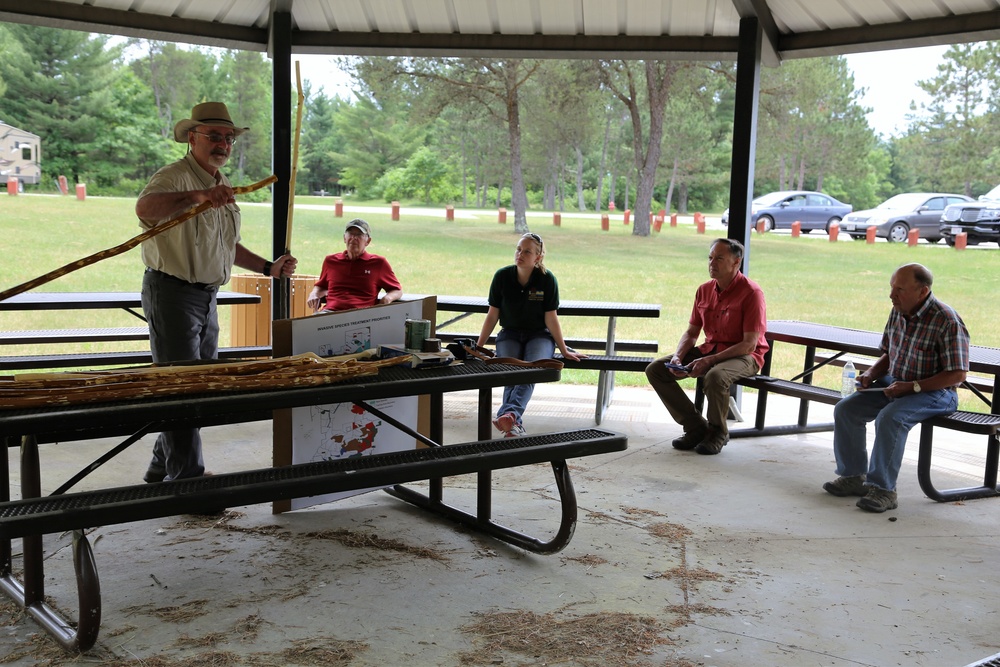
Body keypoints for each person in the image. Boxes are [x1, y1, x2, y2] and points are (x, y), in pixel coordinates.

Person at [136, 102, 297, 483]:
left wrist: (268, 268)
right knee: (183, 388)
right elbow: (145, 207)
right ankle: (187, 481)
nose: (223, 143)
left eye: (228, 138)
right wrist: (196, 197)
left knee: (199, 384)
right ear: (192, 138)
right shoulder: (175, 177)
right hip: (172, 293)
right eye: (214, 136)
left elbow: (226, 245)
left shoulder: (220, 184)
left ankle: (162, 464)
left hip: (206, 298)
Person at [824, 263, 969, 513]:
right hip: (896, 384)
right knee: (846, 410)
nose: (892, 295)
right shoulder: (899, 310)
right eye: (892, 287)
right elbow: (889, 355)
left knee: (890, 418)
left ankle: (884, 490)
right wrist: (869, 374)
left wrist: (913, 387)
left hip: (937, 393)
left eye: (899, 289)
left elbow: (957, 374)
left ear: (922, 291)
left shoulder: (946, 319)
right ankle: (853, 477)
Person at [645, 238, 768, 455]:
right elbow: (692, 332)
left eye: (719, 258)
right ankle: (695, 427)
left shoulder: (751, 293)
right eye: (710, 258)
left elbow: (749, 344)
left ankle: (718, 432)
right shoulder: (704, 290)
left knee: (715, 376)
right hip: (710, 349)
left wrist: (709, 360)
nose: (712, 263)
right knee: (656, 369)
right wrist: (677, 357)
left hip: (744, 355)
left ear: (736, 262)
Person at [477, 232, 582, 437]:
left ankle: (509, 415)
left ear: (538, 257)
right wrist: (478, 347)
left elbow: (551, 318)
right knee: (510, 367)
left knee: (533, 366)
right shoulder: (502, 277)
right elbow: (492, 316)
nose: (520, 254)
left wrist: (563, 349)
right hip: (510, 334)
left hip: (539, 335)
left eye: (527, 251)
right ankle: (512, 421)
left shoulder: (547, 279)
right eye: (518, 249)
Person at [306, 219, 402, 312]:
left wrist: (387, 298)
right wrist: (314, 293)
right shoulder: (330, 261)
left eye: (359, 235)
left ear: (368, 241)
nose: (354, 238)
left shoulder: (378, 263)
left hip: (360, 317)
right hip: (330, 313)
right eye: (350, 234)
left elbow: (397, 290)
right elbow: (321, 285)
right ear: (344, 238)